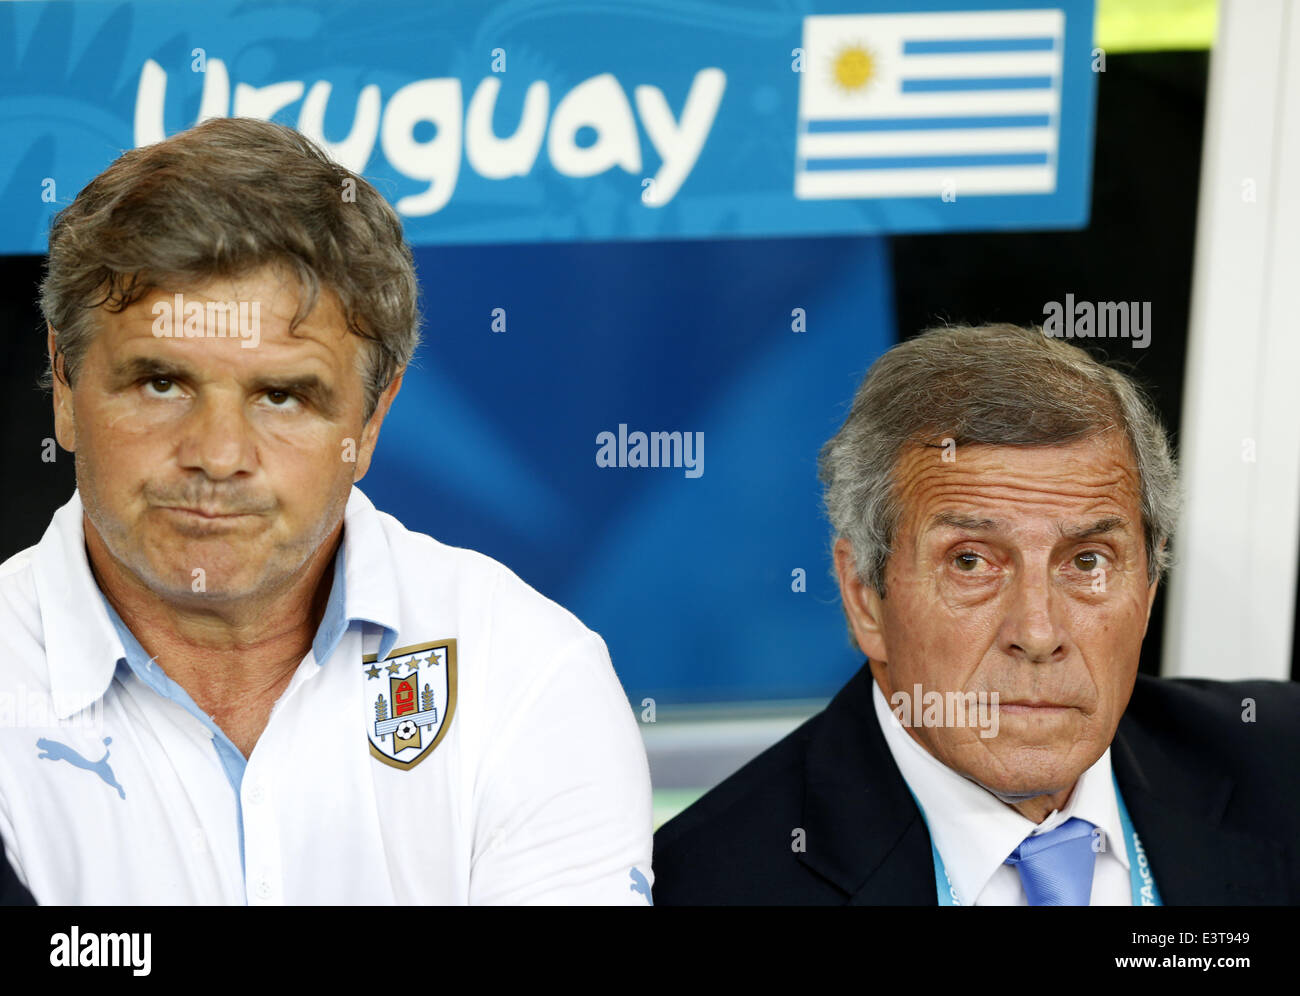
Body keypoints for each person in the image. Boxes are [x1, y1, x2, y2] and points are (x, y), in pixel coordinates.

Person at [0, 117, 653, 905]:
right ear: (64, 384)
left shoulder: (527, 677)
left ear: (372, 417)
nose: (216, 453)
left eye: (281, 396)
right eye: (161, 383)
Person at [653, 323, 1300, 905]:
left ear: (1150, 587)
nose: (1039, 634)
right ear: (864, 597)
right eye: (970, 562)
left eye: (1088, 561)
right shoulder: (710, 883)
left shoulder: (1280, 766)